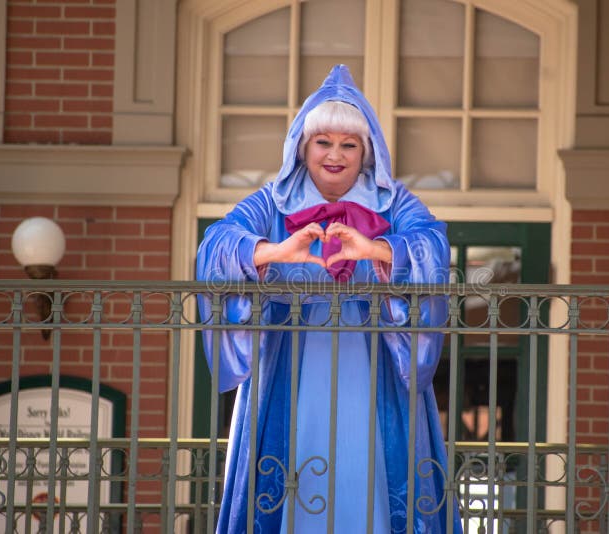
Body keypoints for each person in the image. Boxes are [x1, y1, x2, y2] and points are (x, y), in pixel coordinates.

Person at [197, 64, 462, 534]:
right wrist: (276, 251)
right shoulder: (273, 200)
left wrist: (378, 249)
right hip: (289, 362)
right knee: (291, 469)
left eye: (349, 144)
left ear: (367, 152)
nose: (335, 155)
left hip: (374, 363)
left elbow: (433, 244)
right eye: (324, 142)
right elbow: (217, 242)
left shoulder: (391, 200)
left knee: (370, 472)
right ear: (304, 147)